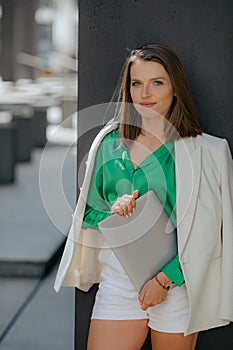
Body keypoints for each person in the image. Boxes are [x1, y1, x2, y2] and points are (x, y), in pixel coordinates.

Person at [54, 44, 233, 350]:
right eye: (136, 83)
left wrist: (165, 281)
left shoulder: (208, 152)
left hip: (178, 282)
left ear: (175, 88)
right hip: (118, 278)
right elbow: (86, 214)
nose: (145, 93)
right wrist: (114, 211)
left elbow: (210, 234)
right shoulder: (108, 143)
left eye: (157, 82)